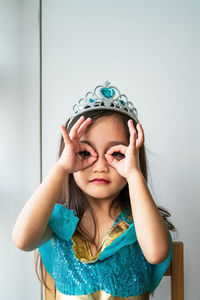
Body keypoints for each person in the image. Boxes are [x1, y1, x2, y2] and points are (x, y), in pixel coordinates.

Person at [12, 81, 175, 299]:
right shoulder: (58, 223)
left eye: (116, 154)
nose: (100, 166)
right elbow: (22, 240)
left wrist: (134, 175)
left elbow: (156, 253)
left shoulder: (143, 223)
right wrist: (61, 168)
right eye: (85, 153)